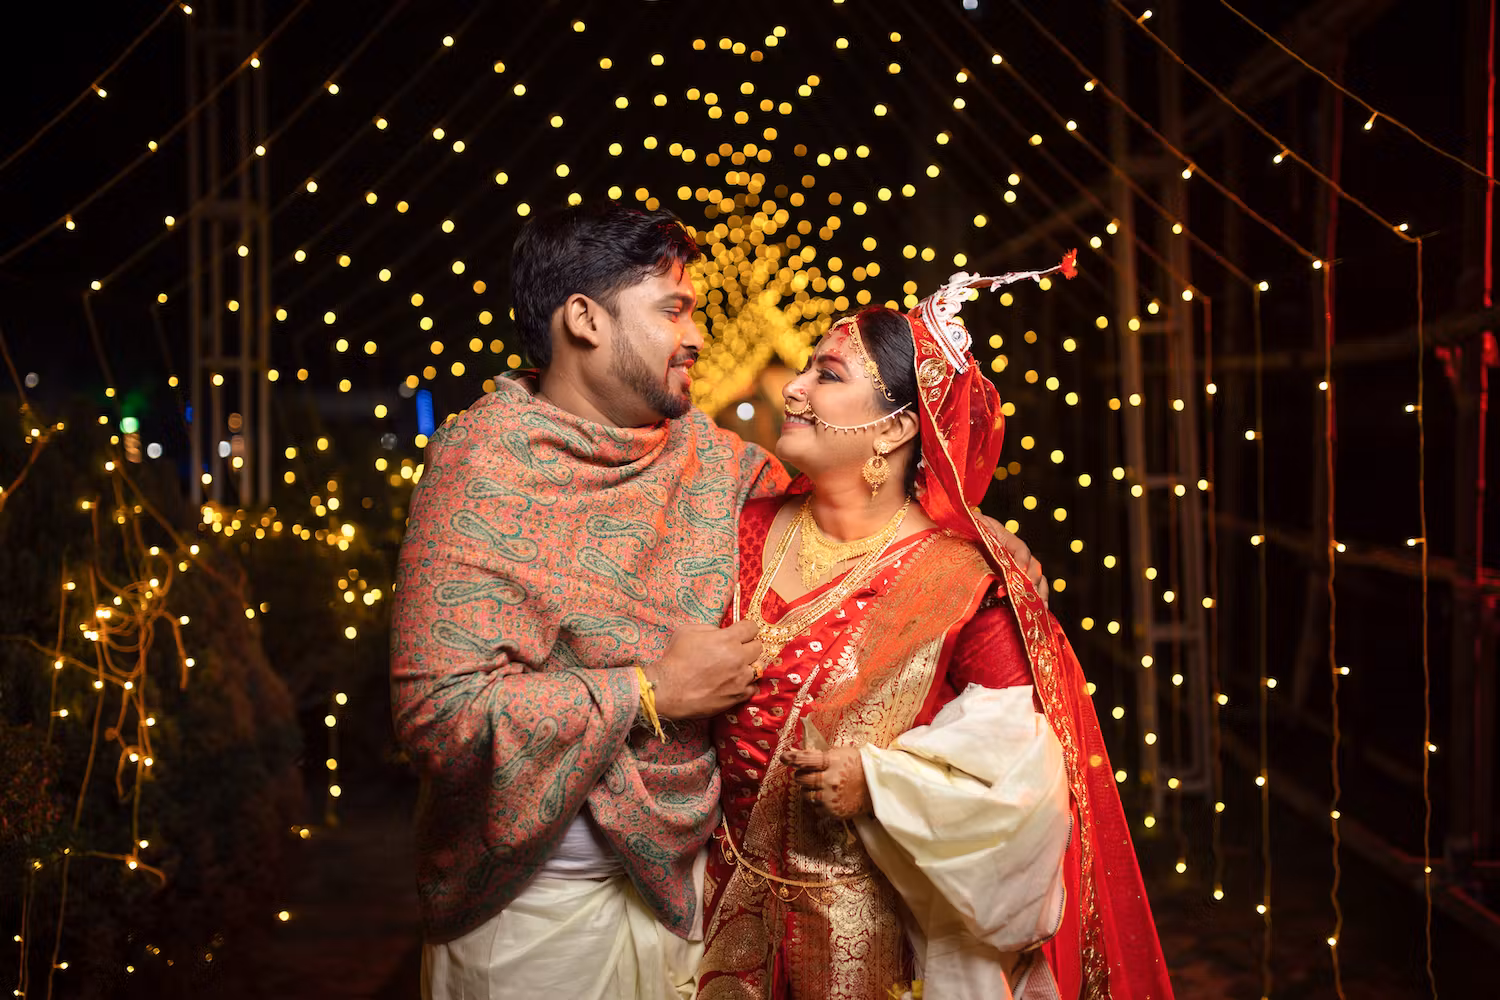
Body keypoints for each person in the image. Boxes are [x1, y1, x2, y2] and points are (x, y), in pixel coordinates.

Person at [389, 202, 1045, 1000]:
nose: (697, 336)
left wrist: (969, 530)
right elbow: (439, 720)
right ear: (585, 319)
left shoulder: (714, 462)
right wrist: (647, 694)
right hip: (534, 919)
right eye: (675, 310)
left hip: (689, 914)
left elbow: (847, 514)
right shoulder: (481, 468)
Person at [697, 266, 1175, 999]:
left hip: (874, 954)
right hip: (712, 927)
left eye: (825, 374)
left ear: (894, 428)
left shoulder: (960, 583)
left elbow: (1025, 788)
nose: (790, 389)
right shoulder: (742, 524)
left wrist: (883, 783)